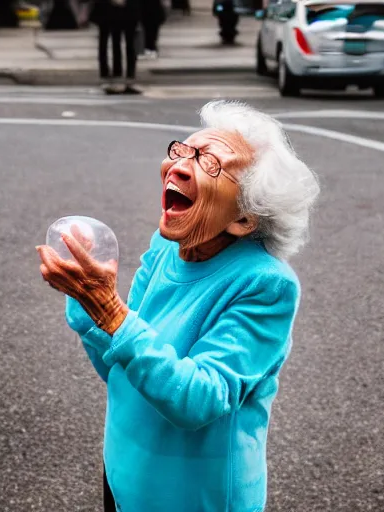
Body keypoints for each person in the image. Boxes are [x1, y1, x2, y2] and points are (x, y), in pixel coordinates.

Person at [36, 100, 320, 511]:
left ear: (243, 218)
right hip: (124, 474)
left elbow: (199, 401)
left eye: (210, 163)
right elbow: (124, 370)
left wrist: (112, 314)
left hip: (191, 496)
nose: (179, 166)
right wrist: (88, 304)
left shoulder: (266, 285)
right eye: (183, 151)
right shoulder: (169, 246)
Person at [89, 0, 141, 94]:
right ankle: (118, 78)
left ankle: (128, 78)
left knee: (128, 44)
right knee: (116, 42)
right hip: (112, 10)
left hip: (128, 8)